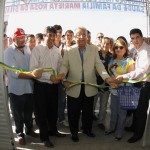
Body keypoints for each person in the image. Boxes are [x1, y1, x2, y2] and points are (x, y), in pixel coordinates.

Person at [59, 27, 115, 142]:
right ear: (75, 37)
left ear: (87, 36)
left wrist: (107, 78)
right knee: (73, 112)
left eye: (83, 34)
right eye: (78, 35)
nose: (81, 37)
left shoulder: (93, 49)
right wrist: (63, 79)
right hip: (73, 86)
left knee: (88, 112)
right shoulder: (69, 50)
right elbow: (64, 66)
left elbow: (99, 65)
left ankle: (87, 129)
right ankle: (74, 133)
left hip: (89, 86)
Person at [4, 28, 43, 145]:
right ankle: (20, 134)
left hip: (29, 88)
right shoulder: (8, 52)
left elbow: (32, 66)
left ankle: (29, 130)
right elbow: (13, 73)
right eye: (20, 38)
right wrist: (32, 75)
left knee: (28, 113)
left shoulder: (27, 49)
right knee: (18, 115)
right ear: (14, 38)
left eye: (23, 37)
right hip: (16, 90)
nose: (22, 40)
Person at [30, 26, 66, 148]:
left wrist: (61, 75)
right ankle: (44, 138)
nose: (51, 38)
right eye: (49, 35)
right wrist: (49, 77)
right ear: (44, 36)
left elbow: (61, 66)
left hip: (54, 87)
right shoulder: (37, 50)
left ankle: (53, 131)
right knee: (41, 113)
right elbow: (33, 70)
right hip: (41, 87)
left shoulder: (57, 50)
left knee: (53, 111)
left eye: (53, 35)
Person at [116, 28, 150, 143]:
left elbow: (141, 70)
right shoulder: (135, 50)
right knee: (135, 108)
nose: (135, 40)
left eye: (137, 37)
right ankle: (134, 127)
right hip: (135, 84)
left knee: (141, 111)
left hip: (144, 85)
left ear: (142, 37)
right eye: (132, 38)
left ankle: (138, 134)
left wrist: (124, 76)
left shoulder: (146, 51)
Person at [105, 38, 135, 140]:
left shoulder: (129, 60)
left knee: (122, 113)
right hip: (113, 90)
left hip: (125, 91)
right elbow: (109, 74)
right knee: (113, 111)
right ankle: (112, 128)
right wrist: (111, 81)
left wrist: (119, 82)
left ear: (125, 48)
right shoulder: (112, 60)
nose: (118, 49)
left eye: (121, 47)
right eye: (116, 47)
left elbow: (131, 76)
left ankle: (119, 132)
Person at [94, 37, 112, 130]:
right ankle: (89, 119)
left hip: (106, 85)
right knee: (91, 105)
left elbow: (112, 71)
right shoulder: (95, 54)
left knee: (103, 106)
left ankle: (101, 122)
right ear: (101, 44)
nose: (106, 45)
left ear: (110, 45)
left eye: (108, 43)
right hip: (94, 85)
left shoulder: (112, 56)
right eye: (104, 43)